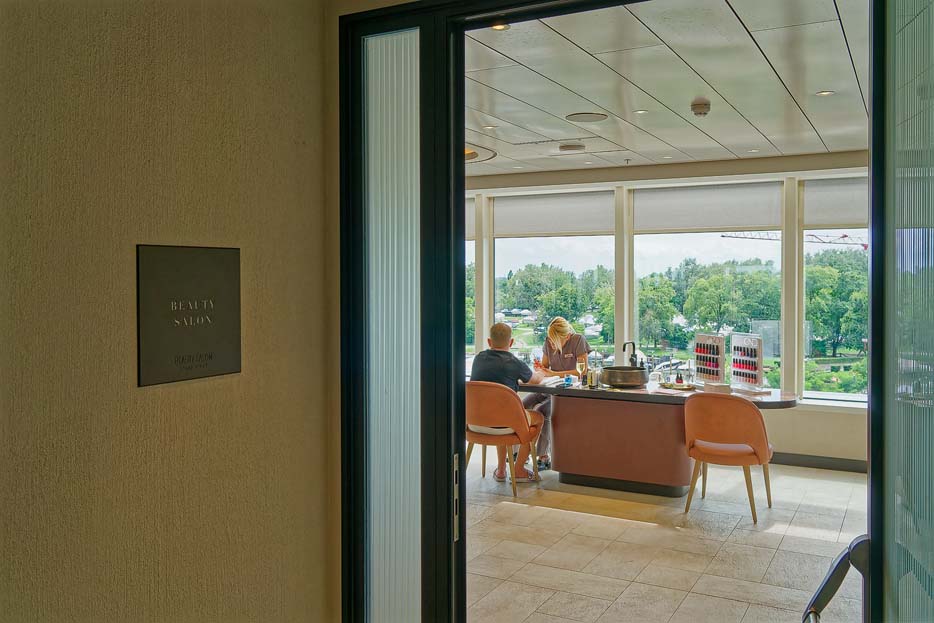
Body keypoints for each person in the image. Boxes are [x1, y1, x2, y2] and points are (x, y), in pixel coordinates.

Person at [470, 322, 545, 483]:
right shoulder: (514, 363)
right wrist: (541, 372)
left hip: (475, 423)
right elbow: (536, 380)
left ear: (489, 341)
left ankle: (501, 470)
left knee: (500, 413)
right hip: (503, 425)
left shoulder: (478, 358)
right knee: (538, 417)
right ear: (511, 342)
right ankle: (518, 470)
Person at [524, 317, 591, 469]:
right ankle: (519, 452)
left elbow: (581, 372)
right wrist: (540, 368)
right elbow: (545, 368)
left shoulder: (578, 340)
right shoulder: (548, 342)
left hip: (568, 393)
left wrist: (553, 373)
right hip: (549, 388)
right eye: (550, 340)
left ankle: (543, 456)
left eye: (554, 341)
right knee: (522, 405)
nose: (552, 344)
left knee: (542, 410)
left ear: (566, 336)